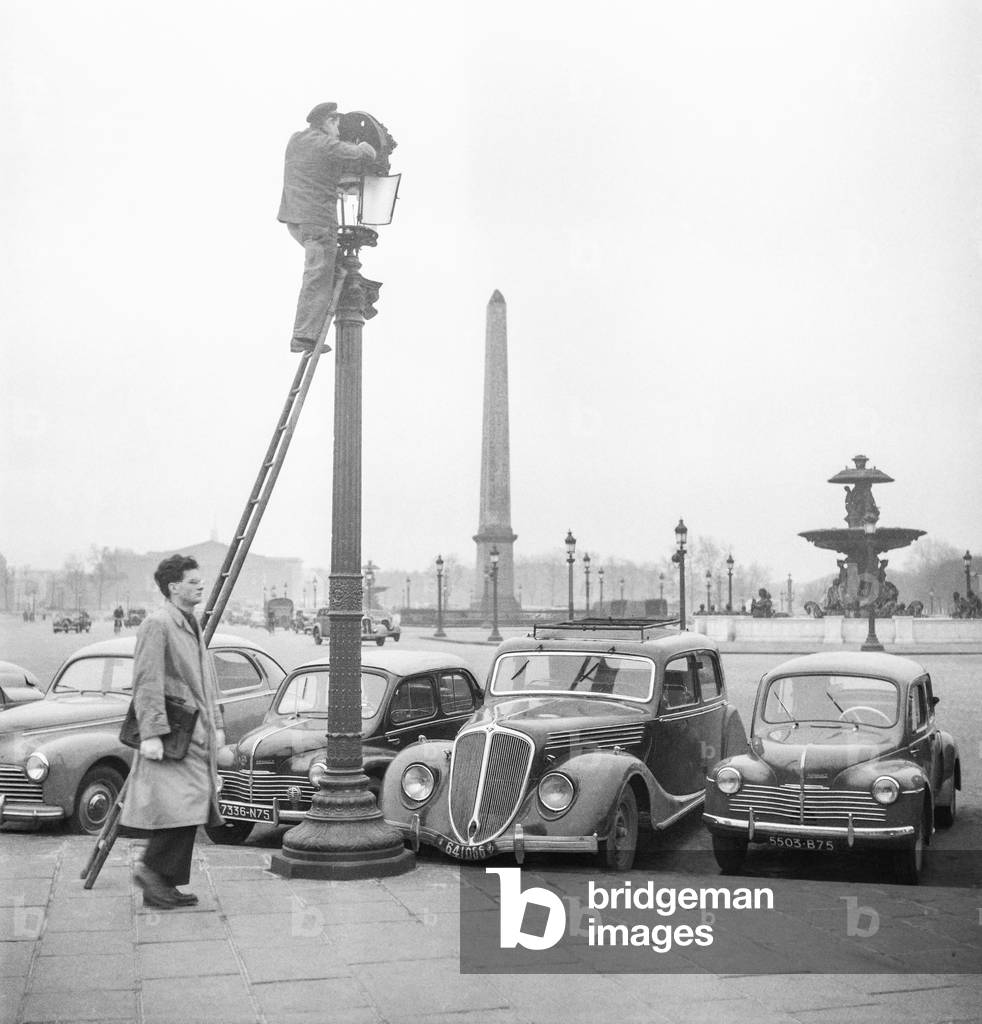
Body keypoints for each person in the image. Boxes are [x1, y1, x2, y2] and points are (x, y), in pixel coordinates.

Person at [122, 555, 224, 909]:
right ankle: (151, 869)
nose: (200, 585)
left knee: (187, 806)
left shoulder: (188, 622)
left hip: (192, 734)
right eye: (193, 581)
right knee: (185, 805)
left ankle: (162, 882)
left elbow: (206, 681)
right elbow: (145, 681)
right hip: (172, 736)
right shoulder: (158, 624)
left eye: (200, 580)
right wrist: (150, 733)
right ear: (173, 587)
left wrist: (219, 725)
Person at [278, 101, 377, 352]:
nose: (338, 131)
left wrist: (337, 186)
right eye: (337, 125)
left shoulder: (297, 140)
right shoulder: (325, 144)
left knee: (329, 269)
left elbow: (313, 173)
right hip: (318, 221)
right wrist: (366, 148)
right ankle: (304, 335)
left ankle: (314, 328)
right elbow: (361, 154)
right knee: (318, 274)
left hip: (296, 219)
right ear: (328, 122)